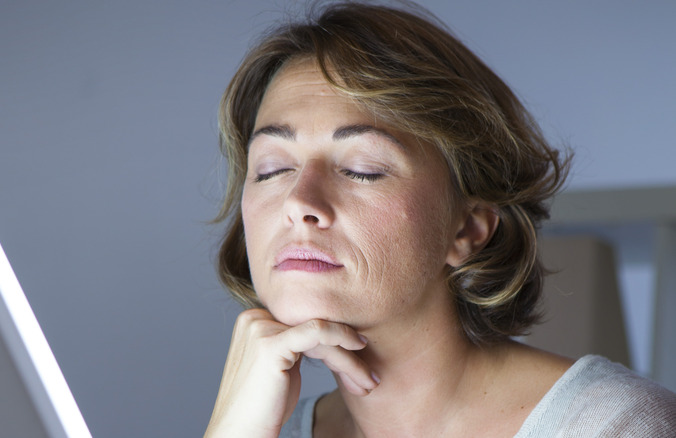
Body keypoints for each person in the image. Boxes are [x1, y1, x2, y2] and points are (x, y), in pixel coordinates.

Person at [204, 2, 676, 437]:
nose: (298, 201)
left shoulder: (613, 426)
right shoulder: (268, 427)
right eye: (272, 169)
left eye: (361, 169)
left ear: (467, 227)